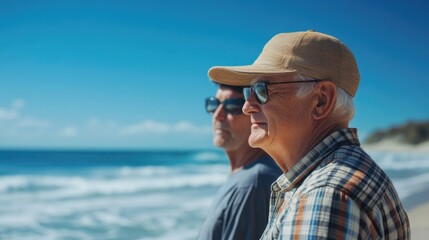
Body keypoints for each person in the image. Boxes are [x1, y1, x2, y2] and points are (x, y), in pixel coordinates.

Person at [207, 30, 410, 239]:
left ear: (321, 100)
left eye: (262, 89)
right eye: (249, 91)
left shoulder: (324, 196)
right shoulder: (338, 177)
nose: (247, 107)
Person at [197, 83, 282, 240]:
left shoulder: (252, 183)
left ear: (255, 113)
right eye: (213, 104)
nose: (218, 114)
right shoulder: (245, 176)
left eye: (232, 106)